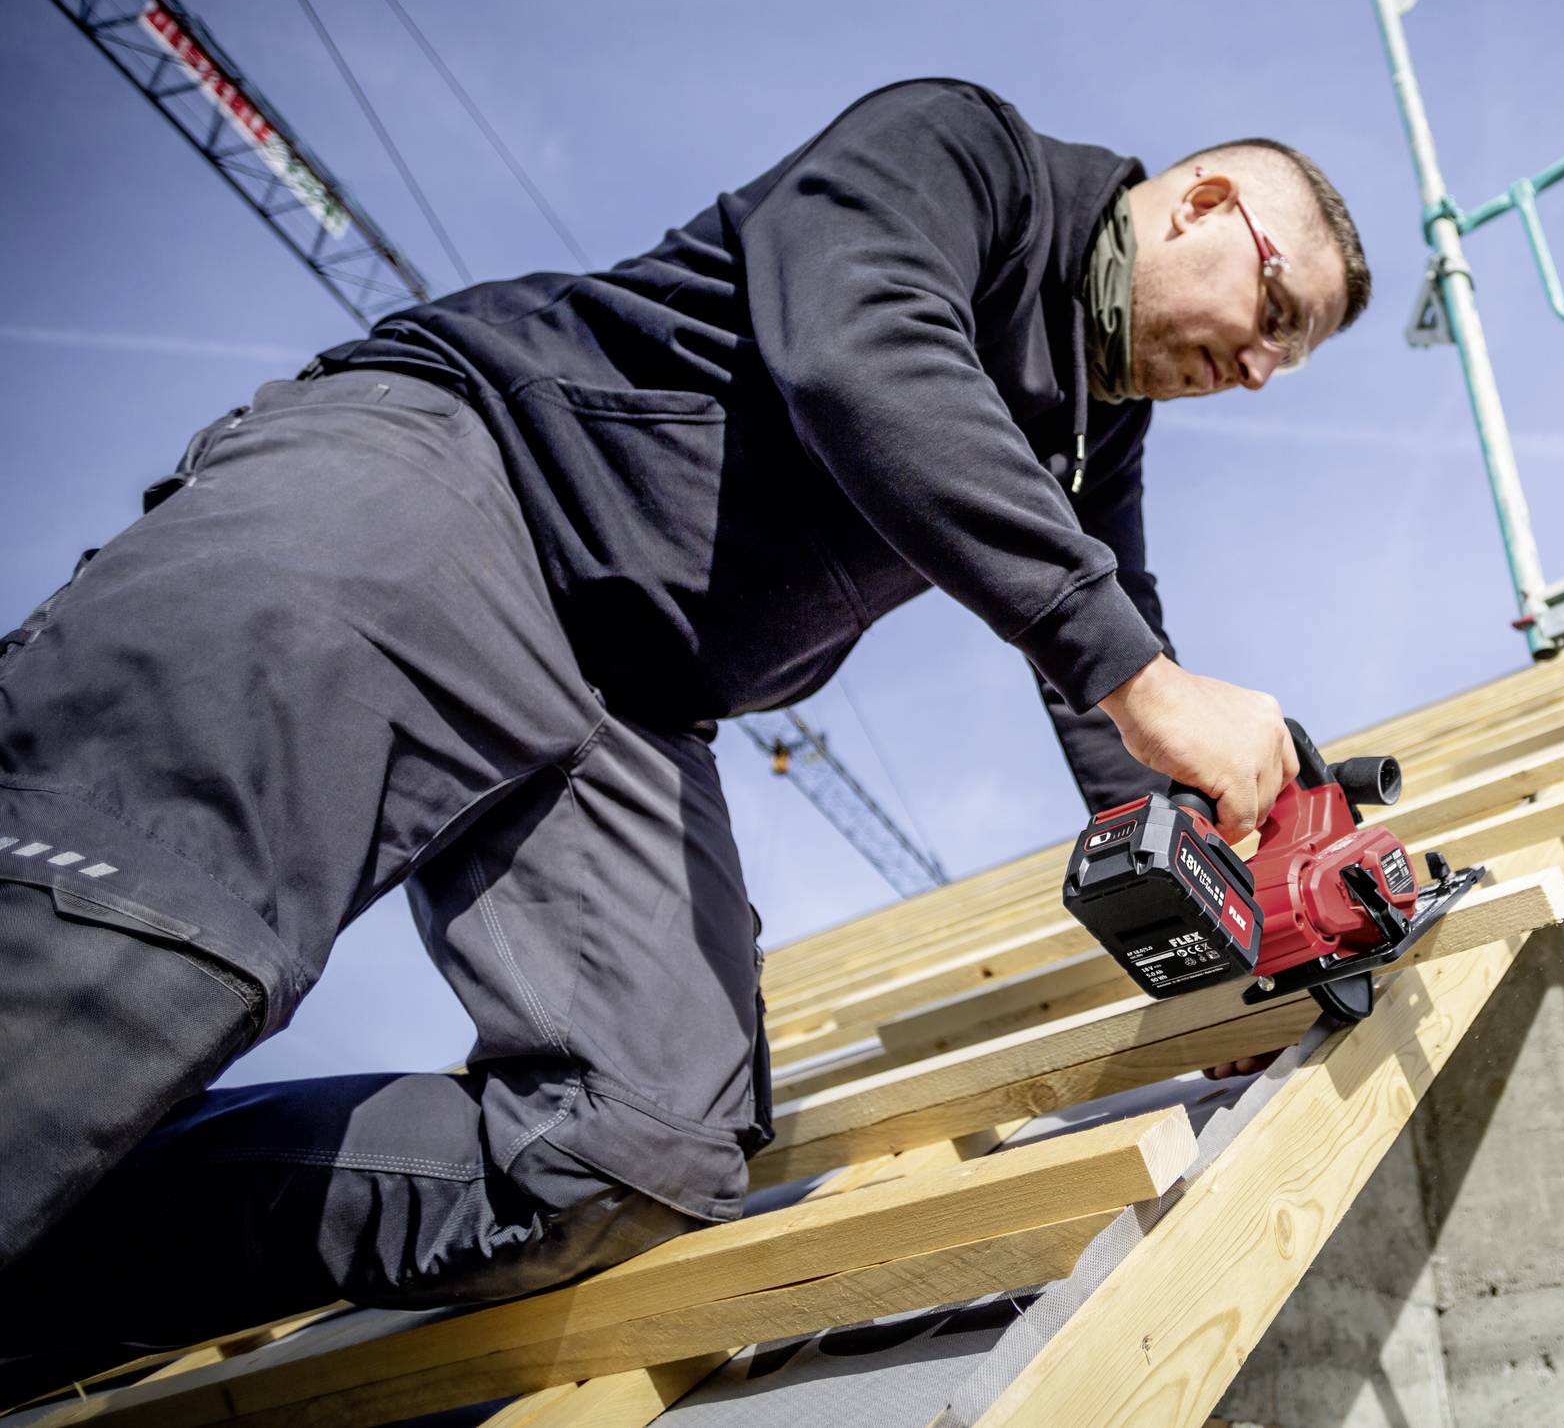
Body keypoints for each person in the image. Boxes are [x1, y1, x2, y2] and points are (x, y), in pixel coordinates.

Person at [0, 77, 1372, 1395]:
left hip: (630, 705)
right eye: (1272, 314)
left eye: (1286, 364)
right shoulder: (967, 152)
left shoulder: (1092, 426)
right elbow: (859, 349)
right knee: (139, 951)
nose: (1256, 371)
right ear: (1196, 202)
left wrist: (1230, 937)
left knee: (638, 1146)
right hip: (459, 488)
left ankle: (37, 1290)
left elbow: (1106, 656)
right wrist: (1144, 675)